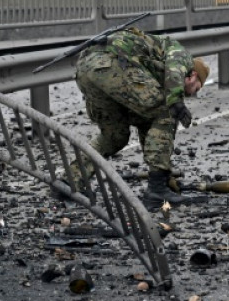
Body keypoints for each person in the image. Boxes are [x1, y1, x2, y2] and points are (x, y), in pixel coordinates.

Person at [72, 26, 209, 208]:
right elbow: (175, 71)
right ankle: (156, 191)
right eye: (196, 89)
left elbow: (151, 127)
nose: (191, 95)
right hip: (111, 64)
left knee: (114, 136)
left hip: (86, 69)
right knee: (165, 110)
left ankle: (70, 181)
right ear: (192, 75)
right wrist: (175, 101)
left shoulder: (154, 71)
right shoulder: (182, 56)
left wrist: (164, 173)